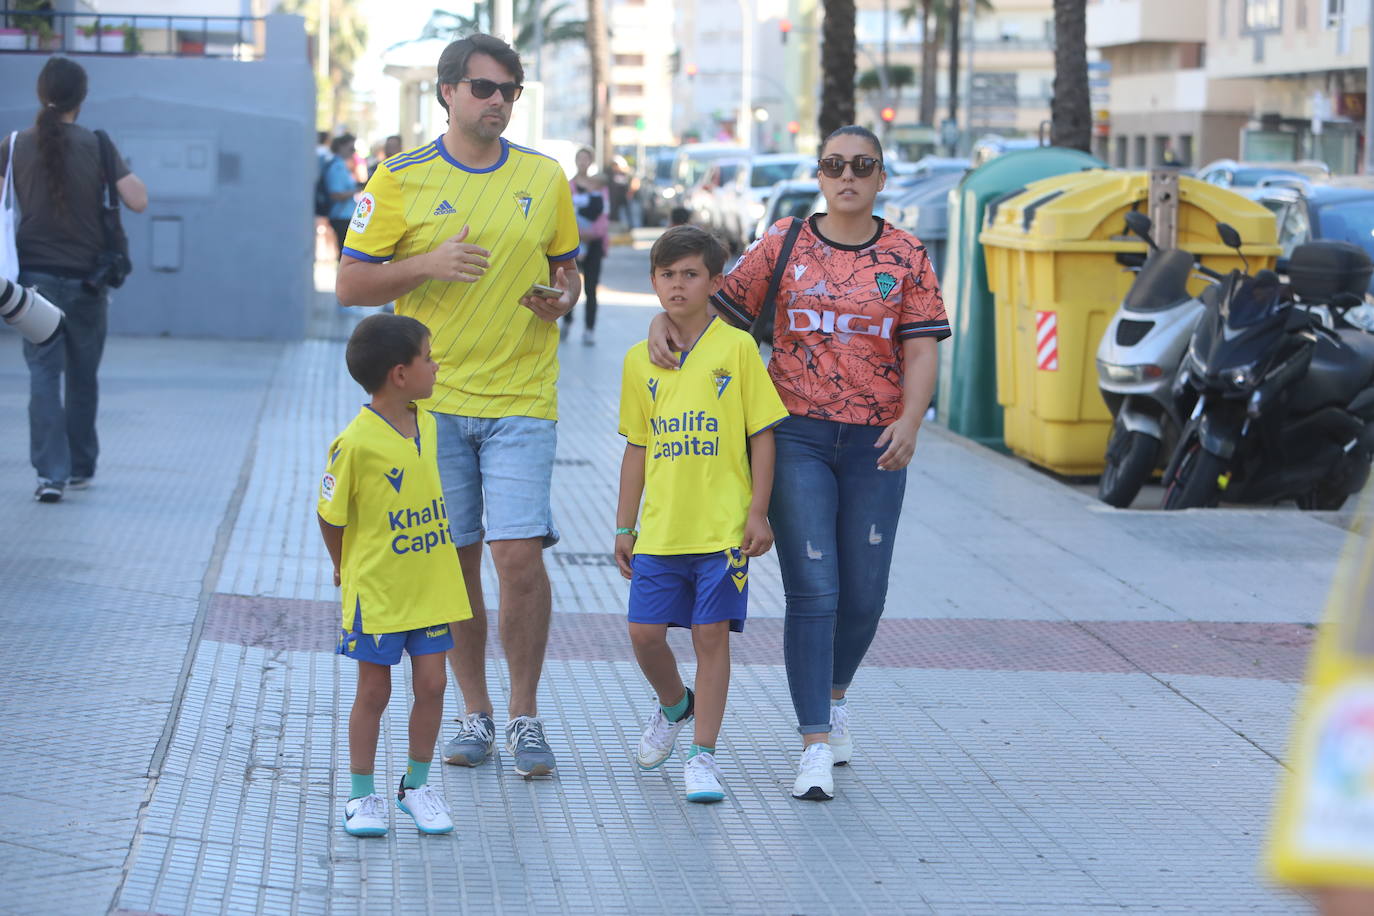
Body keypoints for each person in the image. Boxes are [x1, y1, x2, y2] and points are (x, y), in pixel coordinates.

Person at [647, 125, 948, 801]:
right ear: (820, 173)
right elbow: (715, 311)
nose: (848, 176)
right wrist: (658, 323)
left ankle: (834, 695)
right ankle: (814, 741)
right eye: (835, 164)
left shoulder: (905, 254)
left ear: (879, 177)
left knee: (865, 595)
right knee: (816, 588)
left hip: (878, 442)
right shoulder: (785, 241)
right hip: (796, 436)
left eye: (862, 165)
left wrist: (911, 420)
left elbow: (924, 348)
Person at [334, 33, 582, 779]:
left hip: (522, 400)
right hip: (432, 407)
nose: (499, 101)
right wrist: (427, 264)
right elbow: (350, 285)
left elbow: (568, 274)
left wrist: (560, 298)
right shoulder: (401, 177)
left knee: (518, 558)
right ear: (447, 92)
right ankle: (474, 711)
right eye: (484, 88)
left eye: (510, 90)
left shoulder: (545, 177)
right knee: (458, 565)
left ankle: (525, 715)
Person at [615, 225, 787, 802]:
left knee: (712, 636)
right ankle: (674, 705)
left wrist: (758, 512)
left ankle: (703, 756)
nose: (678, 285)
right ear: (654, 283)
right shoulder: (640, 360)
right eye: (668, 275)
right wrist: (624, 523)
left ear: (715, 282)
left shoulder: (737, 349)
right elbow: (637, 447)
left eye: (691, 274)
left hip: (722, 528)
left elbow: (763, 434)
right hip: (661, 528)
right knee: (644, 634)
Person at [318, 313, 471, 837]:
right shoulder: (353, 444)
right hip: (378, 594)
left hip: (430, 585)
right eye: (428, 357)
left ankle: (416, 786)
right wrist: (343, 567)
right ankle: (362, 796)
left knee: (432, 684)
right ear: (399, 374)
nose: (437, 365)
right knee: (374, 692)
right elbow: (328, 514)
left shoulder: (427, 423)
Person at [0, 56, 147, 503]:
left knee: (44, 375)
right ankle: (81, 466)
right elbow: (138, 200)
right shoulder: (97, 145)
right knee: (83, 376)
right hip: (88, 284)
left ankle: (51, 475)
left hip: (34, 287)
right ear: (80, 99)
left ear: (41, 93)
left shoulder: (13, 145)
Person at [562, 147, 609, 345]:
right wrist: (577, 234)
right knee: (568, 283)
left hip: (594, 242)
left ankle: (589, 329)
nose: (583, 162)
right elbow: (564, 213)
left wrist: (594, 234)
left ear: (591, 161)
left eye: (586, 158)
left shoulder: (600, 187)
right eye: (579, 158)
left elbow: (605, 214)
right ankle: (567, 320)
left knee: (591, 287)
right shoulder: (567, 185)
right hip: (573, 242)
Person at [324, 134, 359, 259]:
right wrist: (356, 190)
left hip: (345, 215)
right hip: (341, 216)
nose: (353, 152)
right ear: (341, 147)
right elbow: (336, 194)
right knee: (345, 255)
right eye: (351, 148)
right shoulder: (337, 167)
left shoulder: (342, 166)